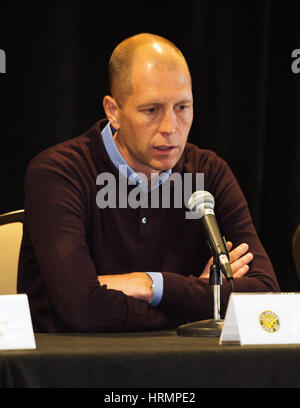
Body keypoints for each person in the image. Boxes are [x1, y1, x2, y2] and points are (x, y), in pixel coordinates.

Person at [17, 33, 280, 333]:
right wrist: (197, 305)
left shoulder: (209, 173)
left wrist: (150, 284)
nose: (170, 128)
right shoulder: (58, 173)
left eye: (182, 107)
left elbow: (266, 300)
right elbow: (82, 309)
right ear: (113, 111)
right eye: (151, 110)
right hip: (74, 370)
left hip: (187, 369)